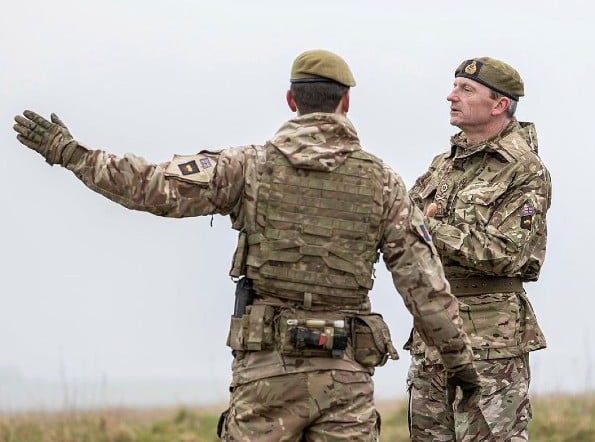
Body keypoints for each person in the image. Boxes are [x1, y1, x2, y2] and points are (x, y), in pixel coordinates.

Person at [14, 49, 480, 441]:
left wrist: (69, 152)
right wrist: (460, 363)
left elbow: (150, 187)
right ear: (347, 102)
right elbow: (424, 284)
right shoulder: (383, 184)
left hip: (265, 375)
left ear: (291, 99)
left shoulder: (247, 168)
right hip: (346, 376)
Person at [405, 56, 551, 441]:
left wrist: (427, 227)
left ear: (499, 104)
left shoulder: (524, 170)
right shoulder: (444, 165)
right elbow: (399, 222)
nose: (451, 96)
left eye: (466, 90)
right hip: (433, 337)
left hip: (490, 345)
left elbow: (510, 252)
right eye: (455, 87)